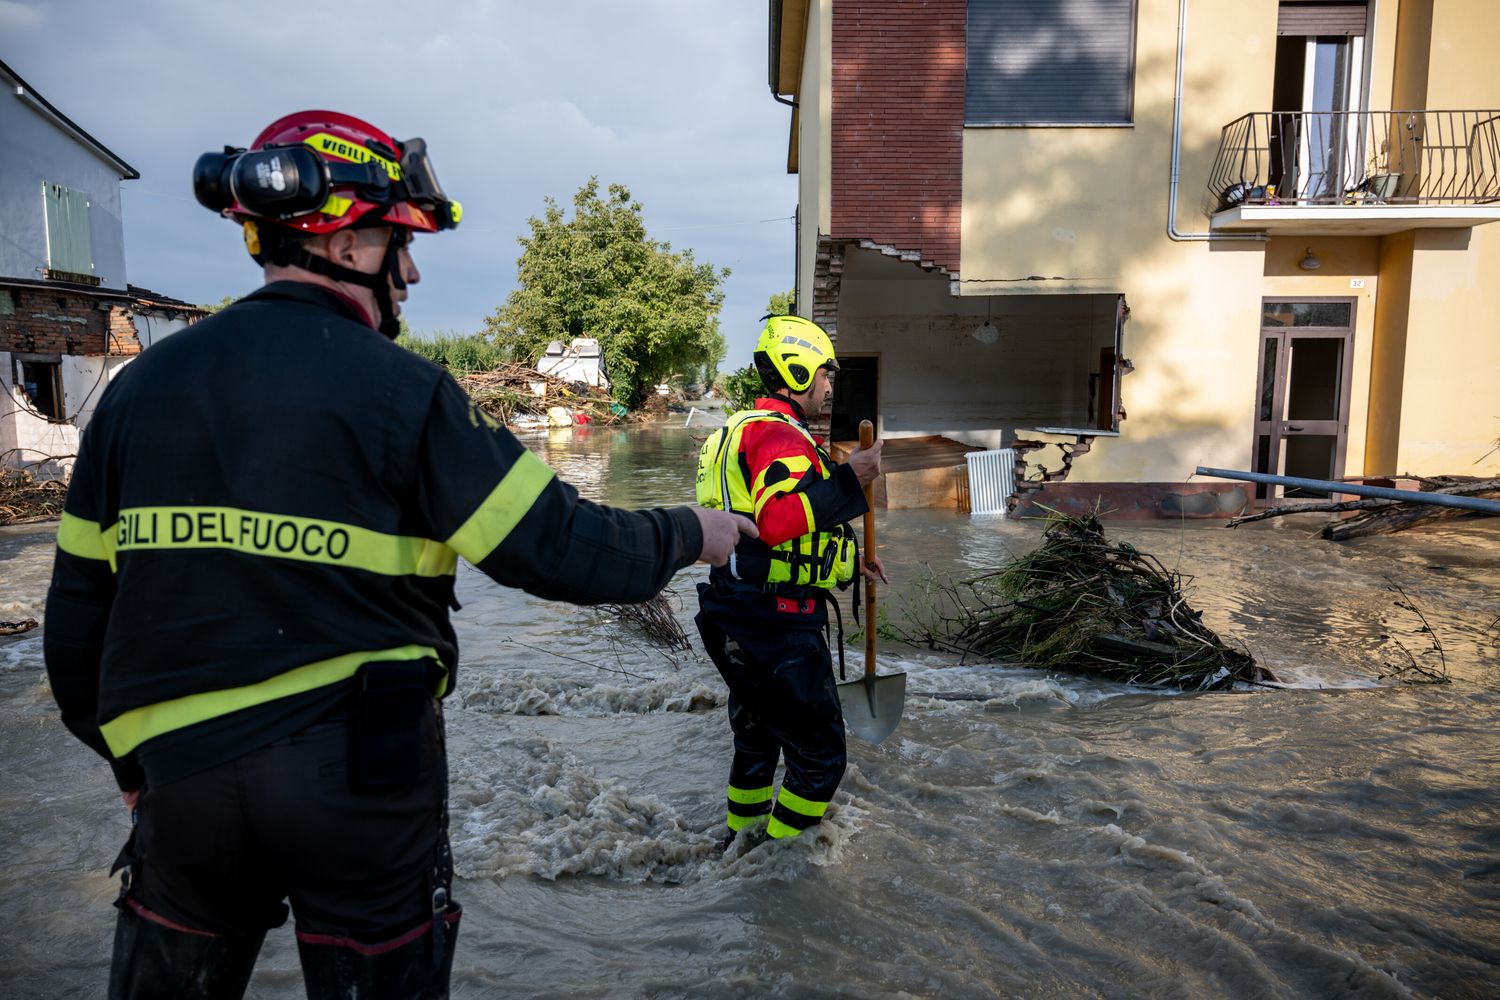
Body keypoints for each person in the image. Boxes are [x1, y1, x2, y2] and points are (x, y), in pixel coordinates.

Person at [43, 110, 755, 1000]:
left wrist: (133, 772)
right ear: (344, 245)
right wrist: (692, 530)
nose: (411, 272)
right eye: (397, 242)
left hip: (181, 784)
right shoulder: (404, 392)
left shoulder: (137, 393)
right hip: (360, 782)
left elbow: (74, 630)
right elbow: (560, 548)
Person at [693, 315, 886, 846]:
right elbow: (779, 523)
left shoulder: (740, 431)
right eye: (825, 375)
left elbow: (768, 539)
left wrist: (851, 565)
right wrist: (852, 477)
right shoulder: (780, 437)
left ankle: (736, 844)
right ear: (798, 372)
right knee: (822, 758)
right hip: (775, 625)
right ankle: (772, 865)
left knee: (756, 744)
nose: (829, 386)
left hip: (734, 612)